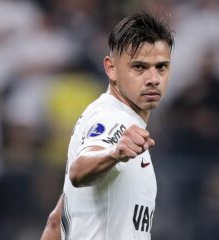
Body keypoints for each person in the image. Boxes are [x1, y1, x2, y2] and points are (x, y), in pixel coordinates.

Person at [41, 12, 174, 240]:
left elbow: (56, 222)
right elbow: (79, 171)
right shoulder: (113, 119)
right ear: (111, 69)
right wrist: (114, 153)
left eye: (161, 67)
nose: (153, 78)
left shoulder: (119, 120)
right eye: (139, 67)